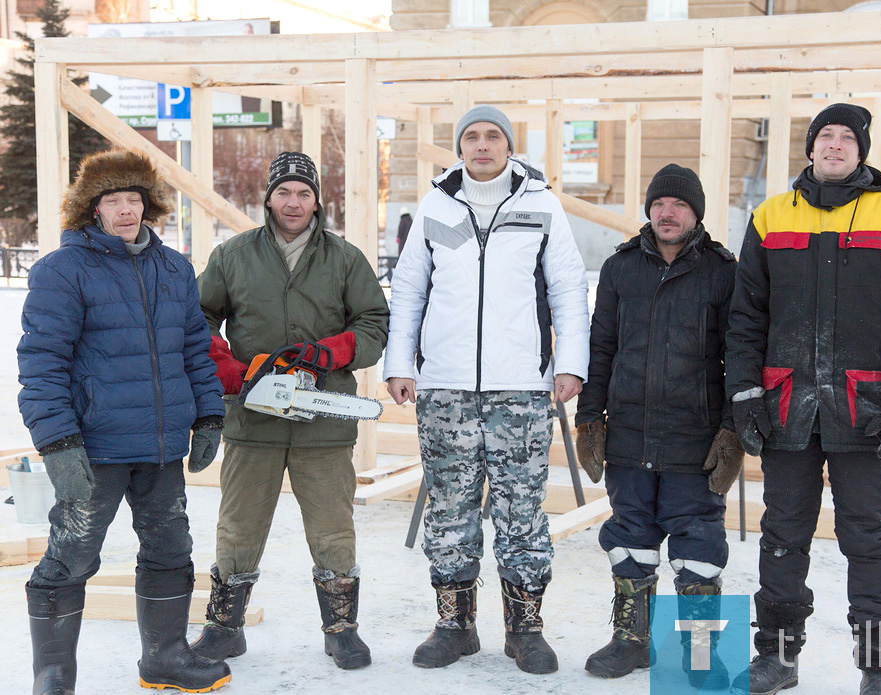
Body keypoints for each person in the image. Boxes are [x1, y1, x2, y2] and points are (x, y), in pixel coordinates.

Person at [726, 104, 881, 695]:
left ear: (862, 151)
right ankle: (778, 658)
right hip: (788, 408)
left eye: (847, 138)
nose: (835, 145)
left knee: (869, 540)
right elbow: (746, 318)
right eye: (826, 136)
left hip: (864, 411)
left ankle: (879, 667)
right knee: (783, 535)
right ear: (812, 147)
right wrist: (745, 393)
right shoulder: (771, 216)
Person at [383, 105, 590, 674]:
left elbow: (569, 289)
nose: (481, 145)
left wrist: (570, 363)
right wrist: (401, 362)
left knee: (521, 508)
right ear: (459, 147)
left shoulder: (539, 204)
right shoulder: (436, 206)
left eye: (492, 136)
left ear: (508, 145)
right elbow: (409, 292)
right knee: (449, 507)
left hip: (520, 387)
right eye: (471, 136)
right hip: (445, 384)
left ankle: (526, 629)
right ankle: (454, 625)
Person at [17, 148, 230, 694]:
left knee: (170, 548)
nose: (126, 209)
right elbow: (42, 363)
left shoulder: (173, 268)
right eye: (113, 200)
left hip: (160, 448)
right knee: (71, 554)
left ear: (147, 204)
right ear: (93, 209)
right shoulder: (61, 272)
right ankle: (54, 673)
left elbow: (194, 349)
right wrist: (57, 442)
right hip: (95, 447)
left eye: (133, 198)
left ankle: (165, 657)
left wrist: (208, 412)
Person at [193, 152, 389, 670]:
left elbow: (374, 320)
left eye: (304, 193)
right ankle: (224, 627)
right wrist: (232, 371)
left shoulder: (344, 258)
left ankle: (341, 629)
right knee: (237, 526)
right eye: (285, 192)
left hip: (323, 422)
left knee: (331, 527)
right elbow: (198, 319)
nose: (294, 202)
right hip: (251, 419)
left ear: (317, 200)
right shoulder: (233, 255)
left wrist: (336, 350)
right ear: (269, 198)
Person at [575, 164, 743, 685]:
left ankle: (698, 653)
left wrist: (733, 430)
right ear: (649, 211)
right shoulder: (621, 268)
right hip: (628, 431)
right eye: (659, 204)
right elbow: (600, 346)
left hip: (695, 437)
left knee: (698, 546)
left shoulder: (722, 272)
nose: (667, 213)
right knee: (629, 537)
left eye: (679, 205)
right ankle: (631, 642)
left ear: (696, 215)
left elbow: (739, 354)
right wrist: (589, 418)